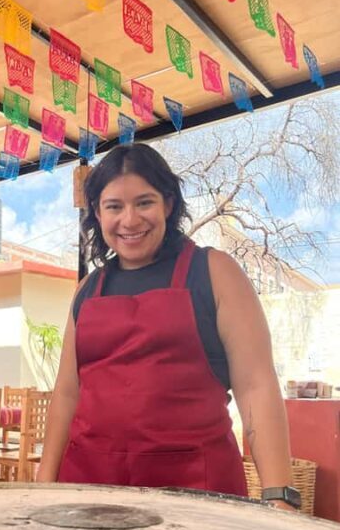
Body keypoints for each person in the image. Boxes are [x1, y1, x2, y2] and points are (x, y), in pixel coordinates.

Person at [37, 144, 299, 510]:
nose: (129, 220)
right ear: (97, 213)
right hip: (89, 488)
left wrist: (279, 494)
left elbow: (256, 385)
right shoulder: (87, 289)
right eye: (114, 206)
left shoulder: (216, 272)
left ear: (169, 205)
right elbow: (67, 394)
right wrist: (42, 486)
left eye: (144, 202)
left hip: (197, 491)